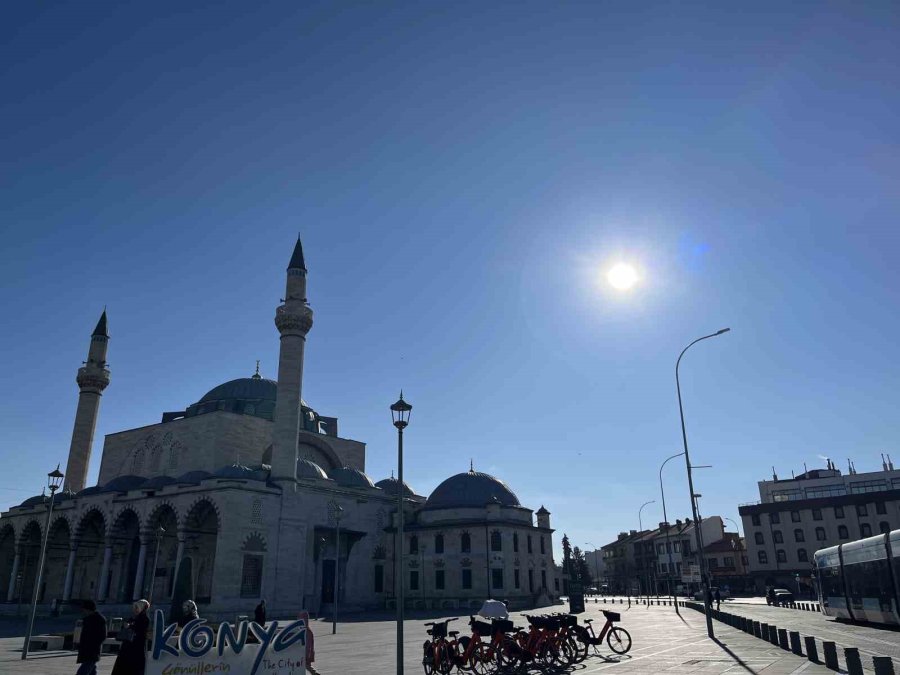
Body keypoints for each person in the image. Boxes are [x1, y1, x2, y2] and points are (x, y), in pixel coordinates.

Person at [112, 599, 150, 675]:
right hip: (128, 646)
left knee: (132, 668)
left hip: (136, 647)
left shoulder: (144, 619)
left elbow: (141, 630)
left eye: (137, 607)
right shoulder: (133, 618)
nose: (135, 610)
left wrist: (130, 626)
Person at [76, 599, 107, 675]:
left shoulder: (99, 619)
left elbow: (103, 635)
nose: (83, 611)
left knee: (83, 672)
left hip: (92, 650)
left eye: (84, 609)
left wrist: (93, 645)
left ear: (88, 609)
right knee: (91, 671)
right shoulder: (87, 619)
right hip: (86, 649)